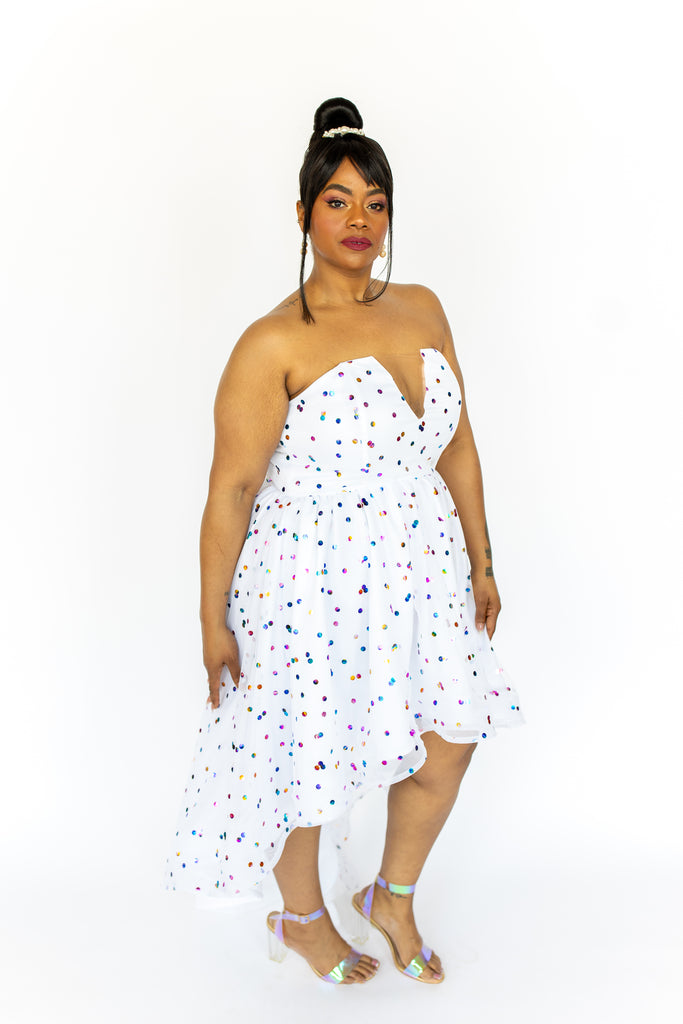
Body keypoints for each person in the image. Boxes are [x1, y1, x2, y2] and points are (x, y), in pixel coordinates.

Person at [164, 97, 524, 986]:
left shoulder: (423, 309)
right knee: (307, 753)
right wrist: (211, 622)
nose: (358, 218)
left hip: (422, 567)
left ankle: (390, 898)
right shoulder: (271, 342)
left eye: (375, 202)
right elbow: (230, 492)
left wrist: (481, 561)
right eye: (337, 201)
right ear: (302, 213)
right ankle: (301, 918)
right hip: (305, 580)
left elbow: (458, 445)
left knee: (451, 736)